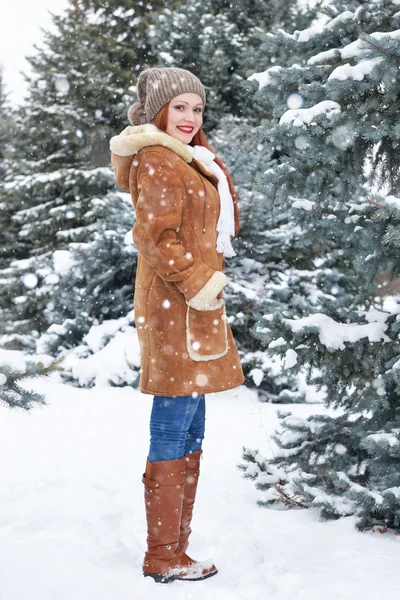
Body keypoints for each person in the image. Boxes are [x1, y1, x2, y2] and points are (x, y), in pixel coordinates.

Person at [110, 67, 244, 584]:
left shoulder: (189, 158)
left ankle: (175, 548)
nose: (190, 118)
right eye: (180, 107)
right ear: (157, 110)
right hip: (178, 309)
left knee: (192, 425)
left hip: (193, 309)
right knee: (173, 424)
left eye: (197, 108)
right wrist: (198, 282)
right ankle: (162, 554)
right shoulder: (158, 159)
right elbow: (153, 234)